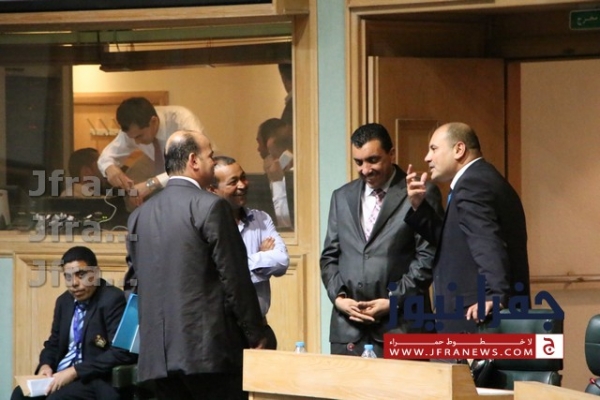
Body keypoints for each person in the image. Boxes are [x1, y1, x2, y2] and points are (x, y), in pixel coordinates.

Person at [125, 130, 266, 400]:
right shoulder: (212, 207)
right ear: (193, 161)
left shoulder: (138, 216)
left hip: (156, 360)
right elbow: (234, 278)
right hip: (208, 356)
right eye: (210, 156)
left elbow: (132, 287)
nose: (213, 161)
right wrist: (255, 334)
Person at [320, 122, 443, 357]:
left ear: (391, 153)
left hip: (402, 326)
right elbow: (329, 257)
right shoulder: (341, 197)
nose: (365, 170)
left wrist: (393, 301)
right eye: (359, 162)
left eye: (373, 160)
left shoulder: (418, 191)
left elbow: (428, 256)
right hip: (348, 331)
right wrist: (339, 298)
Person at [404, 122, 530, 334]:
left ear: (459, 149)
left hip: (476, 319)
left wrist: (494, 294)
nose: (427, 157)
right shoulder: (483, 178)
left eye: (433, 149)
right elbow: (455, 244)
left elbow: (487, 242)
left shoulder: (473, 184)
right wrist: (419, 207)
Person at [11, 246, 137, 400]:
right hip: (61, 375)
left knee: (57, 399)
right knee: (20, 394)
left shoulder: (113, 299)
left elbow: (121, 353)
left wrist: (74, 371)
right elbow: (53, 344)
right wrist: (46, 365)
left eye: (81, 275)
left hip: (95, 378)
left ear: (96, 273)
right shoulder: (64, 302)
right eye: (68, 277)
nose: (74, 283)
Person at [209, 156, 289, 350]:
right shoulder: (207, 226)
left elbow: (281, 261)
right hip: (223, 336)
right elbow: (212, 277)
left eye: (243, 177)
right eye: (233, 182)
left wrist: (234, 268)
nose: (242, 185)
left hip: (260, 331)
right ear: (212, 190)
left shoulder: (261, 219)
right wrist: (261, 260)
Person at [97, 97, 203, 207]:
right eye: (132, 138)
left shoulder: (181, 121)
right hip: (167, 191)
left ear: (154, 121)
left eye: (139, 136)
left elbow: (192, 165)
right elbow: (106, 157)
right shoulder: (134, 130)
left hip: (198, 188)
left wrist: (150, 184)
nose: (137, 142)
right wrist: (109, 168)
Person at [252, 118, 294, 229]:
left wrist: (277, 182)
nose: (258, 149)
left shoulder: (293, 180)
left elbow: (284, 224)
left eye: (259, 143)